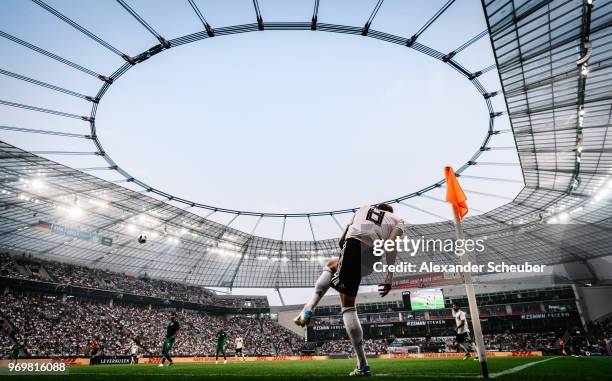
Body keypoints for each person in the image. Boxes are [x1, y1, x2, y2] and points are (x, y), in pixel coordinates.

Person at [294, 204, 404, 376]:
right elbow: (390, 245)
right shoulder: (398, 220)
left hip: (353, 246)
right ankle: (362, 365)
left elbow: (342, 239)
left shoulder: (363, 209)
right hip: (372, 259)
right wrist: (389, 277)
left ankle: (309, 307)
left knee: (332, 266)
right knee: (348, 304)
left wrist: (347, 254)